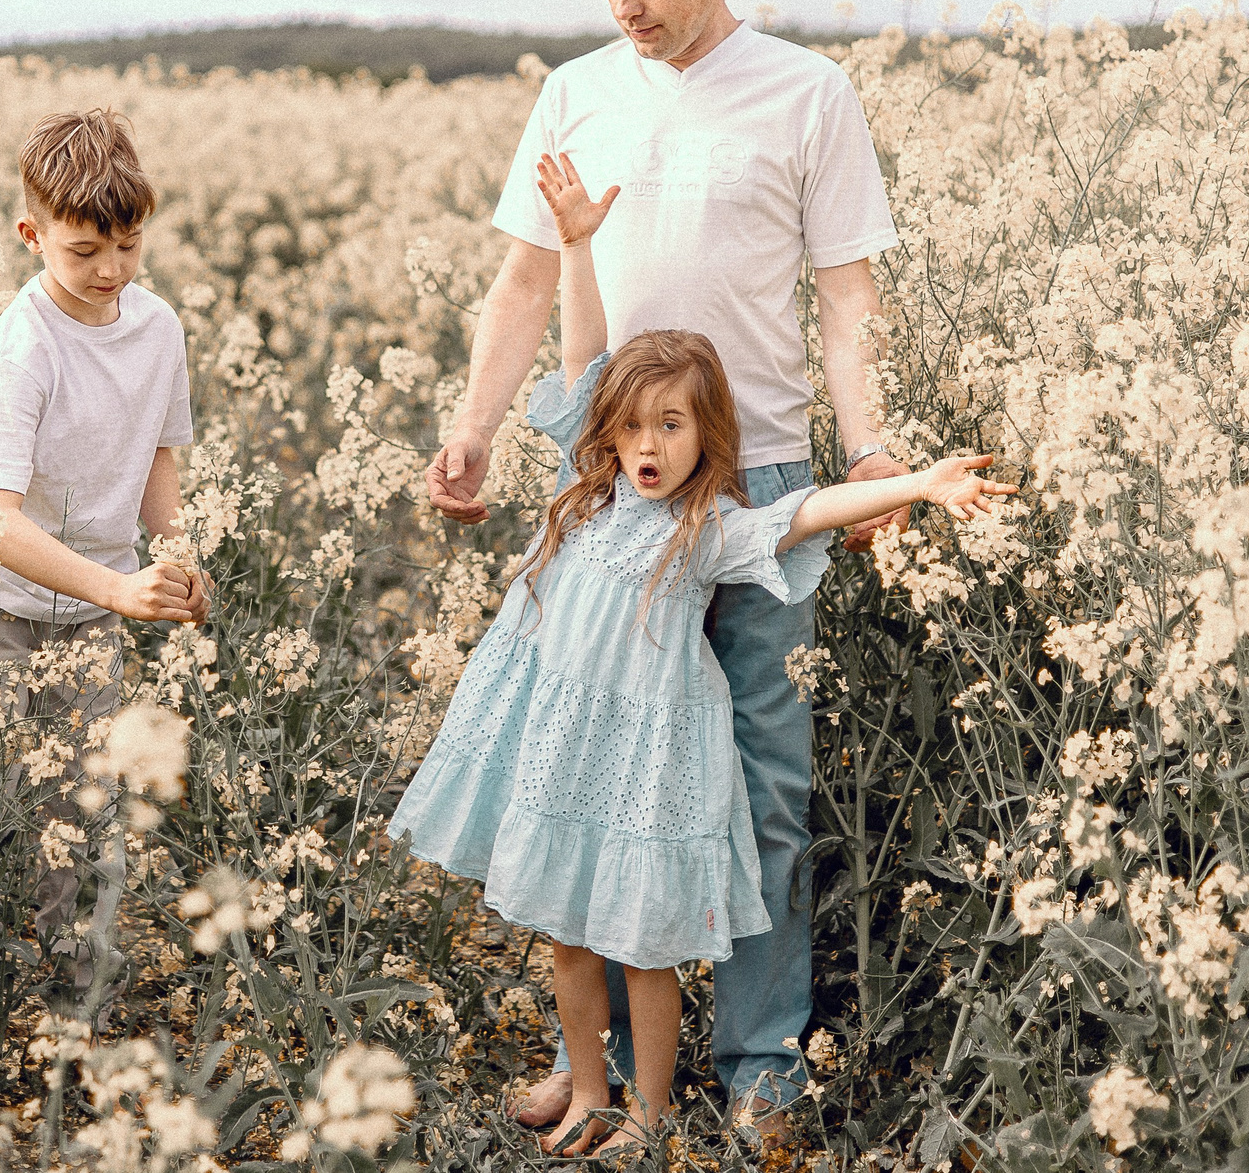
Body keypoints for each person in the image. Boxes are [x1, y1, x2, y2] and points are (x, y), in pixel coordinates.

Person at [393, 154, 1014, 1155]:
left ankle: (647, 1111)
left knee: (641, 943)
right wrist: (577, 246)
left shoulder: (708, 529)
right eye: (633, 427)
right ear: (608, 434)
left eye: (672, 426)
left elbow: (808, 511)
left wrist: (916, 485)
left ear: (704, 434)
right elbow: (584, 354)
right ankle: (588, 1090)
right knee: (566, 933)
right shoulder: (594, 493)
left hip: (646, 761)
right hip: (565, 743)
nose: (648, 444)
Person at [426, 0, 908, 1134]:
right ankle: (592, 1066)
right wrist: (473, 429)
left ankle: (758, 1065)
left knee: (763, 781)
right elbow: (526, 283)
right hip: (611, 480)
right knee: (579, 761)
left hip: (761, 476)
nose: (624, 5)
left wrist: (869, 452)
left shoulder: (808, 93)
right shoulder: (575, 92)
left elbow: (846, 300)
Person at [0, 107, 210, 984]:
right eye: (84, 249)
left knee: (80, 808)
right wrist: (119, 589)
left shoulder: (157, 328)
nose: (111, 269)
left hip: (90, 610)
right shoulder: (19, 350)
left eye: (128, 245)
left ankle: (70, 990)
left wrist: (177, 557)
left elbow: (157, 453)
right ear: (32, 235)